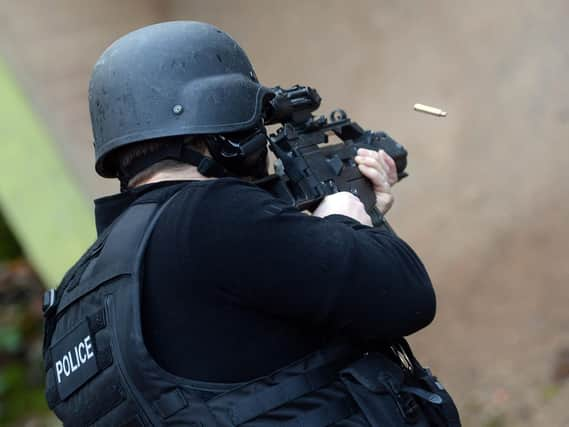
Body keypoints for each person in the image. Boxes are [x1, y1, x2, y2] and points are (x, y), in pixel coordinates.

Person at [42, 21, 460, 426]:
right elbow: (405, 297)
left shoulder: (77, 295)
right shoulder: (214, 216)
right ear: (228, 133)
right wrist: (345, 223)